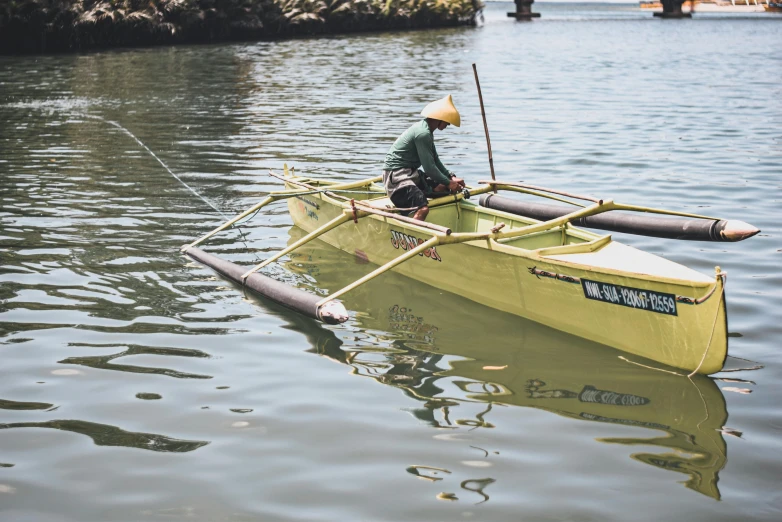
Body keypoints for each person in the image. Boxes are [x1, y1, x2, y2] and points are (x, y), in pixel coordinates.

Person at [382, 94, 465, 221]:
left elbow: (435, 160)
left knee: (441, 188)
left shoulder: (427, 132)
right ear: (440, 118)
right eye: (447, 121)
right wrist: (450, 183)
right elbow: (430, 169)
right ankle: (411, 235)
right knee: (423, 208)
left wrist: (450, 177)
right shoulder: (423, 134)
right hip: (396, 177)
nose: (448, 124)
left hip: (410, 173)